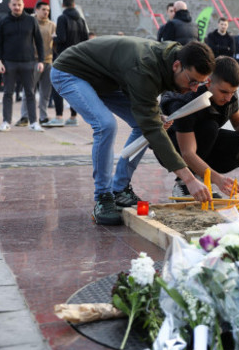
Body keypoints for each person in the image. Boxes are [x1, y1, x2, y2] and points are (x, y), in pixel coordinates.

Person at [50, 37, 216, 225]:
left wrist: (156, 115)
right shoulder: (146, 66)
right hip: (70, 72)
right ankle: (103, 197)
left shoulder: (169, 58)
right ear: (177, 66)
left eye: (200, 84)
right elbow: (151, 124)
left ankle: (119, 189)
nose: (194, 88)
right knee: (106, 125)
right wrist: (189, 179)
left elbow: (146, 104)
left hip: (105, 80)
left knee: (144, 126)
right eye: (192, 81)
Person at [160, 56, 239, 198]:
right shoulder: (188, 101)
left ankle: (202, 179)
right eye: (224, 92)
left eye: (232, 92)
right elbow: (187, 153)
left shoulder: (229, 96)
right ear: (208, 83)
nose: (228, 97)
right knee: (210, 127)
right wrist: (219, 180)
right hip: (172, 147)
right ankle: (185, 184)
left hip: (203, 141)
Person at [0, 0, 45, 132]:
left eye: (19, 4)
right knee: (8, 93)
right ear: (9, 5)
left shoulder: (31, 21)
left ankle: (34, 122)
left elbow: (39, 41)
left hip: (28, 62)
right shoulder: (3, 21)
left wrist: (41, 60)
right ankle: (6, 122)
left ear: (23, 4)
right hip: (8, 63)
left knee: (30, 93)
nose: (17, 7)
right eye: (14, 4)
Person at [49, 0, 89, 127]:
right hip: (78, 58)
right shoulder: (81, 20)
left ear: (63, 5)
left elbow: (62, 38)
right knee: (74, 88)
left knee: (58, 86)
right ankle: (73, 117)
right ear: (74, 4)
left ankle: (59, 116)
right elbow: (86, 40)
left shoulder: (62, 18)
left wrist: (53, 38)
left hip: (64, 58)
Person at [20, 1, 55, 126]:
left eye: (48, 10)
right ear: (37, 10)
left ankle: (43, 117)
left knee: (45, 92)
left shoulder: (52, 25)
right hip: (32, 61)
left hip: (48, 62)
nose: (46, 12)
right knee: (29, 90)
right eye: (44, 9)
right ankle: (24, 116)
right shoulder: (29, 23)